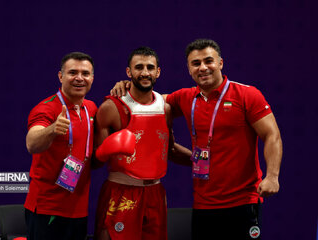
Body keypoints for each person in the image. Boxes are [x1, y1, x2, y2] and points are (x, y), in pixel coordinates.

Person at [110, 39, 283, 239]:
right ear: (189, 69)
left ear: (220, 63)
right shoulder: (185, 98)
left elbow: (272, 135)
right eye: (196, 63)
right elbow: (147, 99)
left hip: (243, 201)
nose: (203, 67)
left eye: (208, 61)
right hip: (203, 204)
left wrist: (272, 176)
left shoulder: (246, 94)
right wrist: (128, 85)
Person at [93, 46, 191, 240]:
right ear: (129, 72)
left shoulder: (166, 108)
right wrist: (105, 150)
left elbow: (169, 150)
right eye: (139, 67)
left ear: (158, 72)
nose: (145, 72)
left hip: (155, 192)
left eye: (150, 67)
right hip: (121, 191)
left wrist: (205, 161)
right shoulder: (111, 107)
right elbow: (95, 161)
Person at [24, 52, 97, 240]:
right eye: (73, 72)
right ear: (60, 76)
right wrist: (52, 129)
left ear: (92, 78)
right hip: (48, 208)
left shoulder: (91, 108)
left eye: (85, 73)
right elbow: (32, 143)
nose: (79, 78)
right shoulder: (46, 108)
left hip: (79, 208)